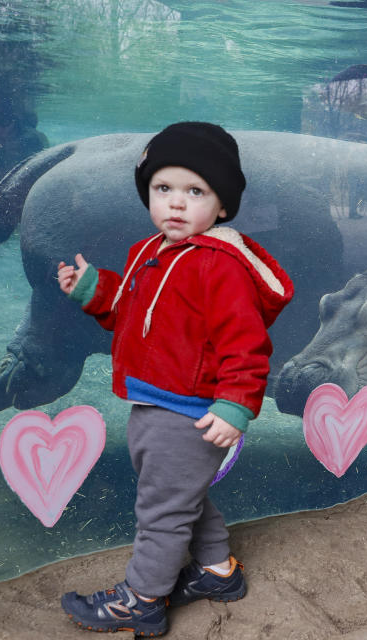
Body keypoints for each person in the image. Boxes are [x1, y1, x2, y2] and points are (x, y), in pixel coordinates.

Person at [56, 121, 293, 636]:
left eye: (196, 191)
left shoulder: (219, 266)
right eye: (163, 189)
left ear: (223, 206)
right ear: (148, 193)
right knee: (180, 493)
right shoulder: (149, 251)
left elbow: (246, 343)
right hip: (153, 401)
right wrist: (93, 288)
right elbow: (131, 310)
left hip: (189, 409)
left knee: (161, 510)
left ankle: (141, 600)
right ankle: (216, 571)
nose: (176, 204)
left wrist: (236, 405)